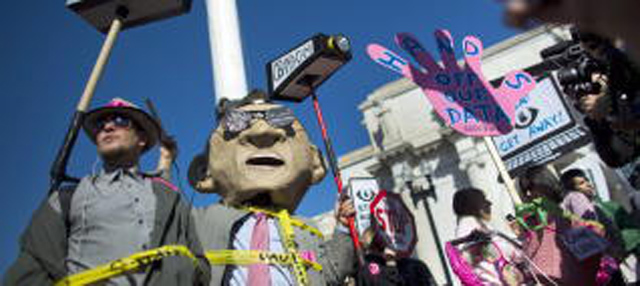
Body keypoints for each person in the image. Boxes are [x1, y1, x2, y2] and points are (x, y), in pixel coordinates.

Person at [4, 98, 210, 285]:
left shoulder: (169, 199)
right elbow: (31, 269)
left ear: (142, 139)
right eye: (101, 125)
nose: (108, 127)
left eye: (120, 120)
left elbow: (198, 265)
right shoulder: (65, 199)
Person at [188, 90, 357, 285]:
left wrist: (343, 228)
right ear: (204, 172)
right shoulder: (199, 220)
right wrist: (165, 166)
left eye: (280, 119)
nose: (262, 131)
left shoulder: (306, 228)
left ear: (314, 163)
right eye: (238, 121)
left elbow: (330, 274)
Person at [518, 166, 601, 285]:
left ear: (546, 183)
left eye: (531, 187)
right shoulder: (530, 220)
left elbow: (591, 238)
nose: (528, 193)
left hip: (582, 278)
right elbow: (529, 254)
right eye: (524, 190)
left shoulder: (572, 200)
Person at [451, 187, 526, 286]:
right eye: (483, 200)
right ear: (472, 206)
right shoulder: (472, 229)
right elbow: (512, 252)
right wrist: (525, 239)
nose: (489, 203)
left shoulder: (468, 228)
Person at [355, 227, 435, 286]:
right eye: (379, 242)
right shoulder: (367, 271)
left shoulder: (416, 266)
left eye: (390, 238)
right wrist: (390, 265)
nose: (388, 243)